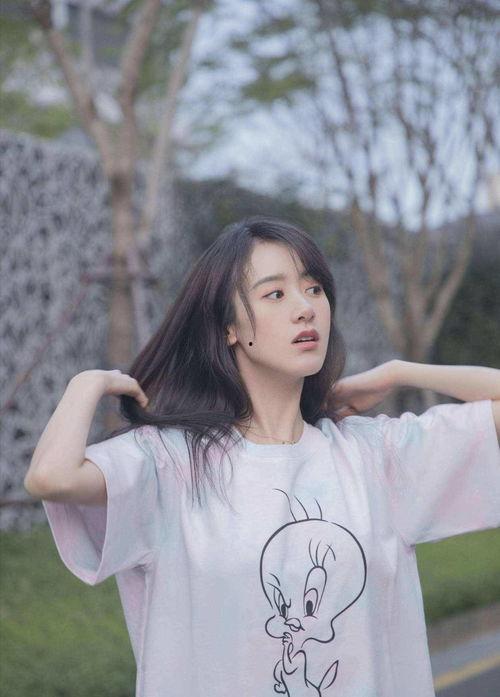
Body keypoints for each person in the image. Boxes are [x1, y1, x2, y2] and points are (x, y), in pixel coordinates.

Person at [24, 216, 500, 697]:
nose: (305, 309)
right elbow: (51, 478)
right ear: (229, 327)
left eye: (314, 289)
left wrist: (398, 373)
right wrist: (86, 383)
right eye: (275, 294)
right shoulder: (171, 464)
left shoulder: (375, 456)